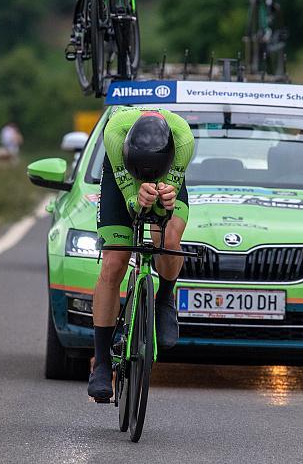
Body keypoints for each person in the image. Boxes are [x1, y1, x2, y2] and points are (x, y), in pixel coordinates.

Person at [88, 107, 194, 401]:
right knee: (114, 261)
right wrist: (138, 199)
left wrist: (164, 200)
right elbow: (133, 206)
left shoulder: (183, 138)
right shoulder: (114, 131)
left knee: (168, 237)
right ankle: (101, 362)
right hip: (120, 178)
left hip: (167, 173)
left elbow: (163, 211)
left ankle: (163, 299)